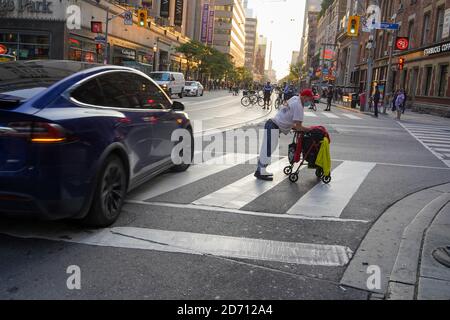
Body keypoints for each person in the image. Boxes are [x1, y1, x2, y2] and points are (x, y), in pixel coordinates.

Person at [255, 89, 314, 181]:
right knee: (268, 149)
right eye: (309, 99)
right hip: (274, 126)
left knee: (267, 148)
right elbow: (298, 126)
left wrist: (290, 125)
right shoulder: (298, 106)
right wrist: (310, 129)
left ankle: (260, 170)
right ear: (304, 96)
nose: (309, 101)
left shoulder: (294, 98)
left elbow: (287, 113)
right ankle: (260, 171)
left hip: (272, 124)